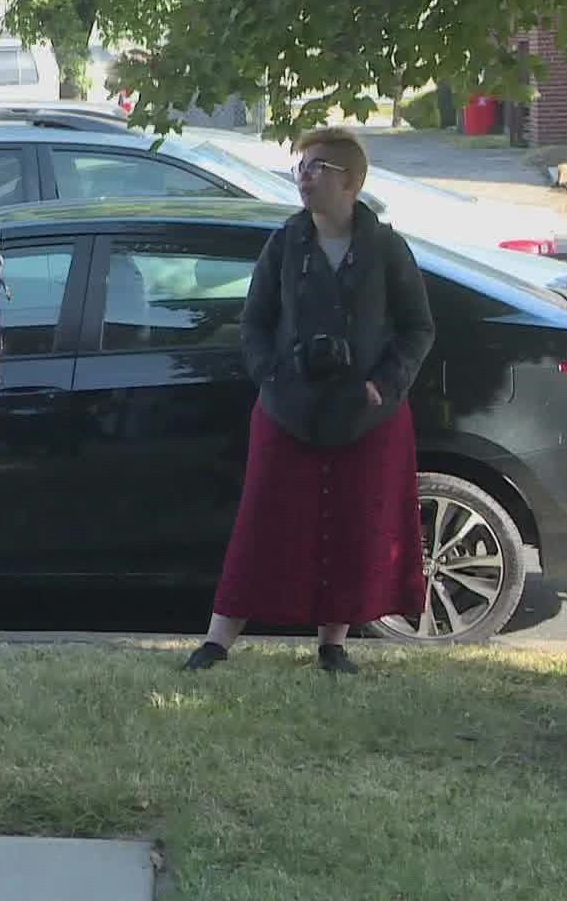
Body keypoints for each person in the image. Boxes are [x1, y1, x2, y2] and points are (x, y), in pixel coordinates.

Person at [181, 128, 434, 674]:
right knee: (265, 520)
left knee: (350, 524)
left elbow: (418, 329)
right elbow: (254, 322)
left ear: (352, 182)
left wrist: (385, 383)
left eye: (317, 167)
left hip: (367, 414)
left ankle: (332, 643)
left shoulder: (386, 247)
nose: (304, 176)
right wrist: (272, 377)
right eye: (301, 166)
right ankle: (218, 641)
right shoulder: (285, 242)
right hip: (289, 409)